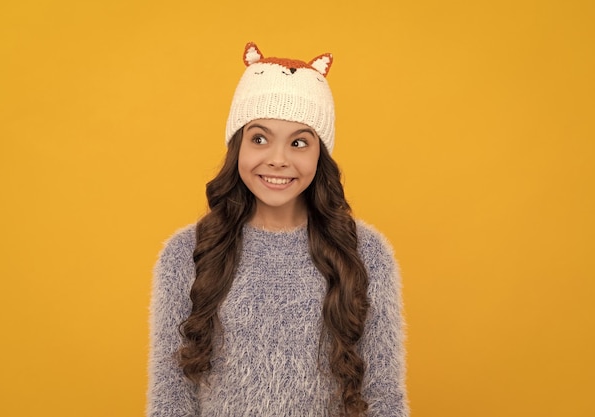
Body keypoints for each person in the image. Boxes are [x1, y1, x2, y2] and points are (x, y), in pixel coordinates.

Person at [147, 42, 409, 417]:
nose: (278, 160)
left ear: (321, 154)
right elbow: (170, 398)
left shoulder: (366, 253)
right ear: (237, 146)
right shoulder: (187, 253)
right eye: (259, 138)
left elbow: (383, 397)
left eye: (299, 142)